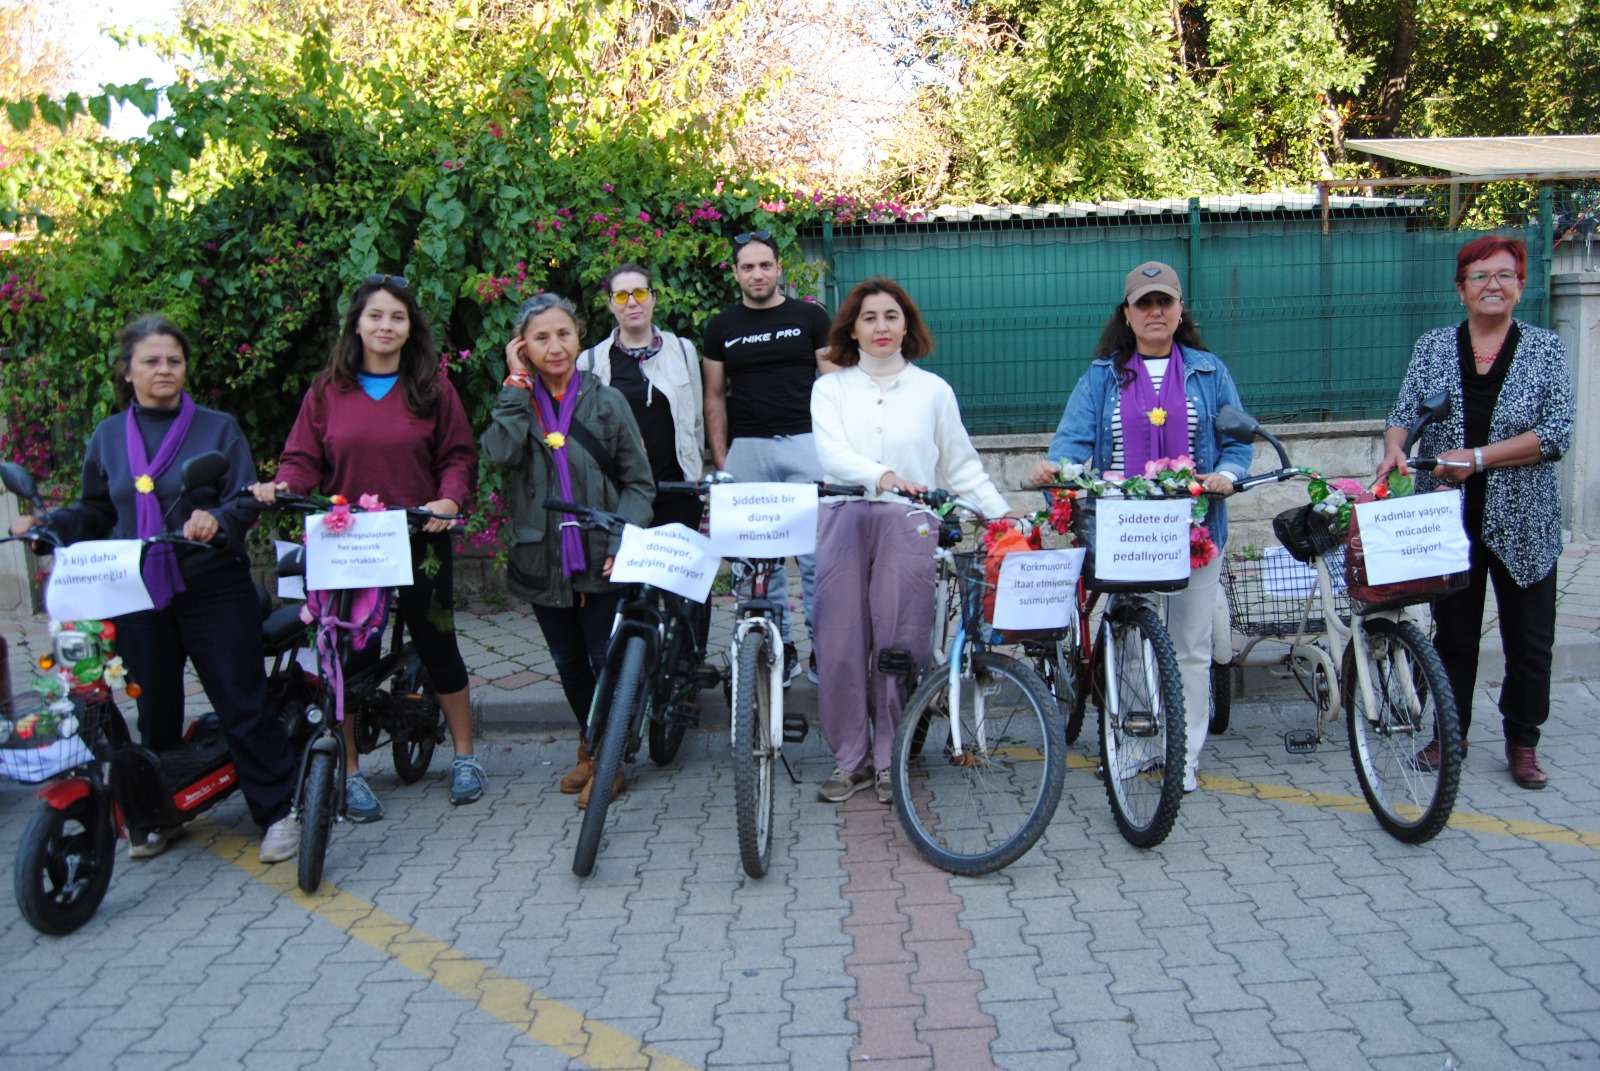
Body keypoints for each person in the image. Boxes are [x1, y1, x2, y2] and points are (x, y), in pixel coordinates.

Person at [11, 315, 299, 863]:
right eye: (151, 360)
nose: (165, 369)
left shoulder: (216, 427)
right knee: (157, 711)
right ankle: (163, 812)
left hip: (212, 586)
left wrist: (217, 519)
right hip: (137, 593)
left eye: (174, 360)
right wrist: (46, 528)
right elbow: (97, 509)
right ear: (128, 372)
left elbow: (244, 496)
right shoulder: (107, 437)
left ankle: (280, 811)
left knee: (242, 702)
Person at [252, 274, 484, 819]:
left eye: (397, 317)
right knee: (347, 655)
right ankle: (349, 770)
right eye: (376, 316)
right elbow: (302, 459)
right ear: (356, 323)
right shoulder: (327, 391)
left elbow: (458, 456)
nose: (385, 326)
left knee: (436, 640)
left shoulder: (432, 387)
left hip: (416, 535)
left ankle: (466, 755)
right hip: (348, 541)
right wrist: (285, 486)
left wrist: (449, 502)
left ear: (410, 329)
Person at [1027, 262, 1252, 794]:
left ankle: (1183, 754)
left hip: (1195, 531)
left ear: (1179, 312)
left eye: (1165, 303)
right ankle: (1133, 747)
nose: (1155, 312)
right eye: (1144, 304)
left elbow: (1238, 442)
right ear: (1127, 315)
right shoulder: (1101, 377)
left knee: (1190, 647)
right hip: (1124, 532)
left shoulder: (1209, 371)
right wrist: (1054, 472)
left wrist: (1227, 474)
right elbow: (1071, 447)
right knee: (1129, 644)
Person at [1375, 236, 1574, 790]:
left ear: (1522, 286)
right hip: (1446, 518)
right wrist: (1395, 445)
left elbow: (1555, 433)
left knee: (1529, 640)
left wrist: (1479, 458)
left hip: (1524, 519)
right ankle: (1449, 735)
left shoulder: (1545, 349)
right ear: (1460, 289)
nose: (1493, 285)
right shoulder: (1434, 347)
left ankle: (1523, 742)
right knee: (1454, 636)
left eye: (1505, 275)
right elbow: (1403, 412)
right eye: (1481, 275)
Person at [810, 278, 1015, 804]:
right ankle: (849, 759)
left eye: (891, 317)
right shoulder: (831, 388)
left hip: (909, 521)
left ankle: (890, 756)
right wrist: (881, 474)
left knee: (900, 643)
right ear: (852, 329)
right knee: (839, 643)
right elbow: (831, 454)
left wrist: (1002, 516)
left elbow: (962, 465)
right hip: (844, 515)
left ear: (907, 327)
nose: (881, 327)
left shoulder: (933, 391)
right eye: (870, 317)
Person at [482, 292, 655, 806]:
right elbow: (499, 453)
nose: (554, 346)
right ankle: (591, 747)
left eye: (563, 334)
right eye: (540, 338)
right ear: (523, 347)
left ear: (579, 338)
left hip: (601, 552)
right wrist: (515, 386)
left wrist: (622, 540)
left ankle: (611, 760)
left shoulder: (607, 402)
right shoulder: (518, 402)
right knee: (569, 663)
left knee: (607, 661)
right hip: (542, 559)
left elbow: (639, 484)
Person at [702, 231, 836, 686]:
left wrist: (836, 451)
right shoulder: (721, 327)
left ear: (779, 269)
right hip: (749, 451)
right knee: (756, 563)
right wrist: (724, 463)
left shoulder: (810, 317)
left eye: (765, 265)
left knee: (819, 560)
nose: (757, 274)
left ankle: (825, 651)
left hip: (807, 445)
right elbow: (715, 397)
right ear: (736, 273)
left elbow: (835, 384)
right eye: (747, 267)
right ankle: (776, 651)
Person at [576, 263, 706, 529]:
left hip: (677, 491)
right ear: (611, 304)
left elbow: (695, 421)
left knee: (675, 570)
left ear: (653, 298)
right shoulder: (591, 362)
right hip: (620, 495)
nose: (632, 303)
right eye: (622, 296)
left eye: (640, 293)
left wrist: (696, 482)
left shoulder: (683, 351)